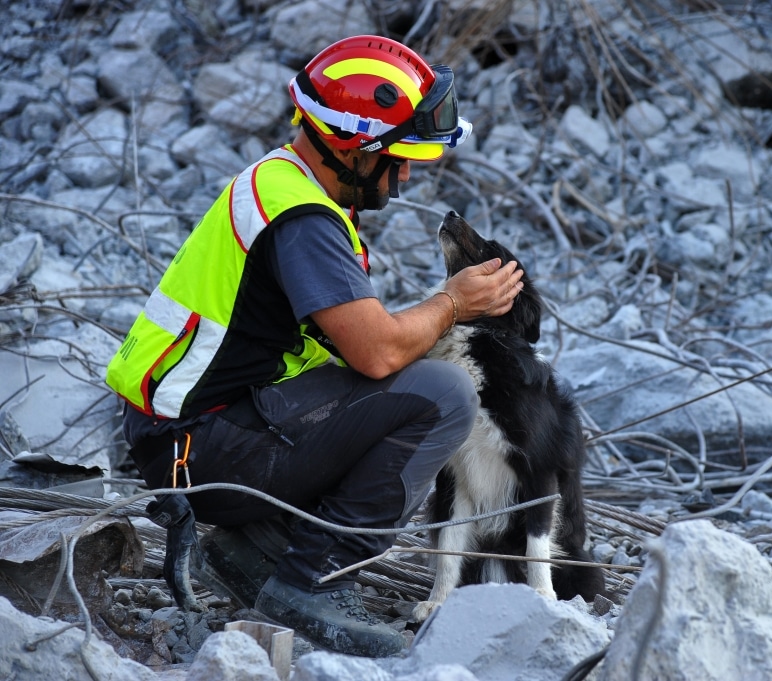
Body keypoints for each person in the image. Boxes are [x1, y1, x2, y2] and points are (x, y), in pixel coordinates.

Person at [105, 35, 523, 657]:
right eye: (399, 157)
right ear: (354, 147)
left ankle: (259, 547)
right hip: (202, 452)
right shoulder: (302, 220)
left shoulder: (283, 183)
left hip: (184, 439)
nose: (405, 175)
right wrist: (453, 305)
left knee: (395, 384)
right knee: (443, 394)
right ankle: (312, 579)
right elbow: (377, 353)